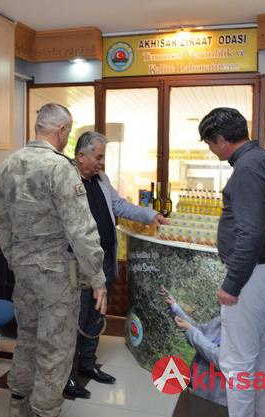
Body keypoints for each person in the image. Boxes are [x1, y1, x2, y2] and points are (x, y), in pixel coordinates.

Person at [0, 104, 108, 417]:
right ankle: (44, 410)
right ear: (61, 130)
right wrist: (97, 277)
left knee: (27, 339)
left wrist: (16, 260)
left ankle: (18, 403)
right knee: (55, 347)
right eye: (67, 132)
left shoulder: (8, 165)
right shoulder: (60, 168)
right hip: (56, 273)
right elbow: (80, 229)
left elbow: (1, 222)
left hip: (23, 271)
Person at [198, 107, 265, 417]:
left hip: (254, 278)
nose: (211, 150)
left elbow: (250, 233)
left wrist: (232, 284)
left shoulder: (247, 168)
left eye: (209, 143)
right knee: (263, 354)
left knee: (237, 363)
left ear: (221, 139)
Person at [63, 131, 169, 399]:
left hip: (105, 261)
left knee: (97, 316)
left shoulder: (102, 179)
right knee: (76, 320)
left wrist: (150, 215)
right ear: (81, 156)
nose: (101, 163)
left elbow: (120, 206)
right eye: (98, 157)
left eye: (103, 157)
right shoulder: (65, 180)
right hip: (80, 265)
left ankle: (87, 364)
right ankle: (66, 376)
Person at [160, 285, 265, 406]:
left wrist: (191, 331)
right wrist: (175, 307)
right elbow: (200, 331)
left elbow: (222, 359)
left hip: (219, 401)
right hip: (198, 389)